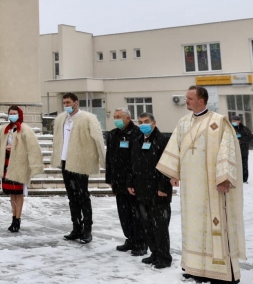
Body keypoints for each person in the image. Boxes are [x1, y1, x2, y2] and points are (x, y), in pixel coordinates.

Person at [157, 86, 245, 283]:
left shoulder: (218, 122)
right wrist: (173, 172)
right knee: (193, 226)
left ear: (201, 100)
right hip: (191, 187)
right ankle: (195, 268)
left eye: (189, 98)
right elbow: (175, 148)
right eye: (186, 98)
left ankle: (222, 272)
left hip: (212, 186)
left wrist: (224, 177)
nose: (186, 101)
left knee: (217, 225)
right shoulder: (183, 122)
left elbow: (227, 150)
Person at [51, 92, 105, 244]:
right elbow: (57, 139)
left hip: (81, 162)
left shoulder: (88, 118)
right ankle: (76, 227)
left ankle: (87, 230)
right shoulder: (62, 119)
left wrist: (104, 161)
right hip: (65, 162)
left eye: (68, 102)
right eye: (64, 103)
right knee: (72, 197)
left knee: (83, 196)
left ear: (76, 103)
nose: (66, 105)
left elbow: (98, 140)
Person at [0, 106, 44, 233]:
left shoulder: (25, 129)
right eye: (10, 113)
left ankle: (18, 218)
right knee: (11, 193)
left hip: (20, 164)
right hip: (7, 163)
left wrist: (35, 164)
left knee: (18, 193)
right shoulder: (5, 129)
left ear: (19, 114)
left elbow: (33, 147)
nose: (12, 115)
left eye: (14, 113)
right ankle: (13, 217)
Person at [127, 112, 172, 269]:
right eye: (140, 122)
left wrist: (163, 187)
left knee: (160, 226)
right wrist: (130, 183)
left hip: (158, 191)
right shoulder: (137, 140)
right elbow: (133, 164)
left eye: (146, 121)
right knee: (147, 224)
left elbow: (167, 165)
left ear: (154, 123)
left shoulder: (163, 140)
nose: (143, 124)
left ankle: (164, 257)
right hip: (141, 190)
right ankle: (154, 253)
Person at [106, 108, 146, 256]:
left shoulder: (137, 133)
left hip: (133, 181)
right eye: (115, 117)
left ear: (128, 119)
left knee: (136, 214)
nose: (116, 119)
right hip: (118, 180)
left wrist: (133, 181)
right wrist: (109, 178)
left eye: (119, 117)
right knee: (124, 213)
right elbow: (109, 157)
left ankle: (141, 242)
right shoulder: (112, 134)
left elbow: (136, 160)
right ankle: (130, 238)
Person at [231, 115, 252, 184]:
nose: (233, 122)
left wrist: (241, 141)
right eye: (232, 121)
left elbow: (250, 138)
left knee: (244, 165)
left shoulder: (245, 129)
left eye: (234, 121)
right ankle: (234, 178)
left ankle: (244, 179)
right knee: (233, 164)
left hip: (243, 150)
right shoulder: (231, 128)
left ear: (239, 121)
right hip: (233, 150)